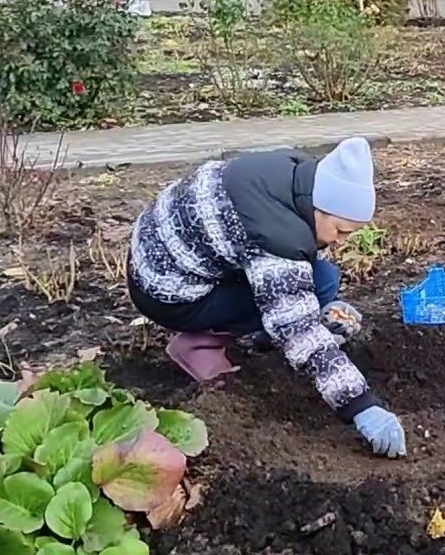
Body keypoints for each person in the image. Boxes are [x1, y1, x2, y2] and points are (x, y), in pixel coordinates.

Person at [126, 137, 406, 458]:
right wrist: (361, 406)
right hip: (168, 293)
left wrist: (322, 310)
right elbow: (296, 328)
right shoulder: (275, 231)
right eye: (340, 231)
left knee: (323, 278)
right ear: (319, 208)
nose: (340, 241)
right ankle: (199, 345)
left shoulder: (295, 177)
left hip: (169, 258)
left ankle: (261, 335)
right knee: (295, 308)